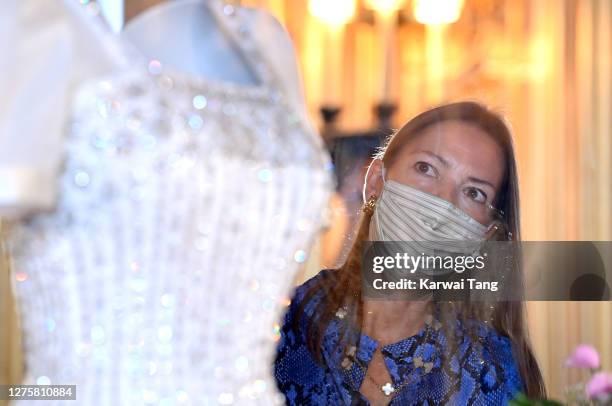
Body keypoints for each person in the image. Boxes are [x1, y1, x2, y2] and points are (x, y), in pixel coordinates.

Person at [274, 101, 545, 405]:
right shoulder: (279, 325)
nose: (442, 206)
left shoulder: (498, 373)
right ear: (376, 181)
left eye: (473, 193)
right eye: (426, 168)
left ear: (484, 236)